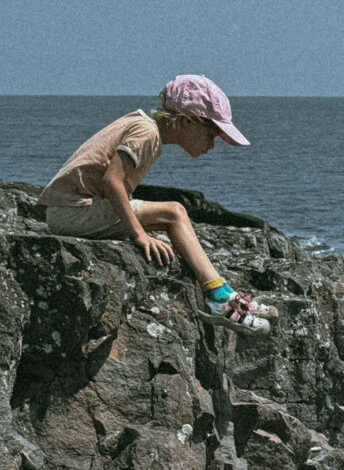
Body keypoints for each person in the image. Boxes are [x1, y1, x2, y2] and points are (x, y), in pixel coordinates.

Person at [38, 75, 277, 336]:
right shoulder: (146, 132)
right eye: (211, 134)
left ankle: (224, 293)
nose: (211, 144)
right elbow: (113, 182)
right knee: (173, 212)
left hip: (71, 211)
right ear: (186, 120)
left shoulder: (144, 128)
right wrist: (139, 235)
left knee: (173, 214)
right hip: (73, 212)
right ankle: (218, 297)